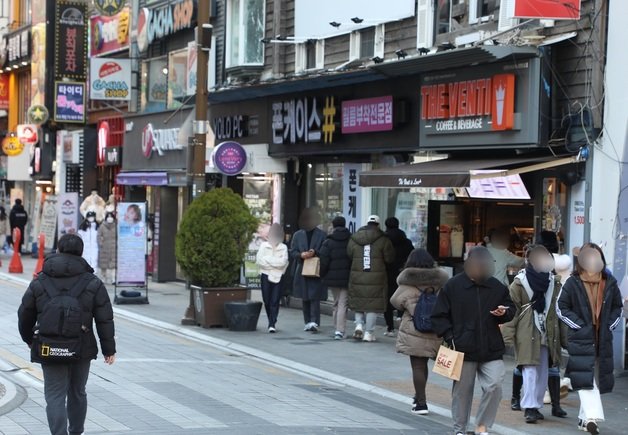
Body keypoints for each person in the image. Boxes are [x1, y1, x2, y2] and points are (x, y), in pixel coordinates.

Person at [17, 234, 116, 435]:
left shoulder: (40, 280)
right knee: (78, 392)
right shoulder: (93, 282)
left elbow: (24, 313)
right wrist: (109, 350)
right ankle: (76, 432)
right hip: (82, 346)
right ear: (81, 253)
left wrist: (29, 339)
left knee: (54, 395)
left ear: (59, 251)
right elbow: (104, 317)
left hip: (49, 345)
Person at [431, 246, 515, 435]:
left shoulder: (496, 286)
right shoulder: (453, 285)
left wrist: (505, 312)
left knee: (494, 385)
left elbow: (510, 309)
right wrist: (450, 336)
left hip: (491, 347)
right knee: (462, 392)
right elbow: (438, 316)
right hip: (462, 348)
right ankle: (460, 429)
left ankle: (482, 426)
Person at [556, 243, 623, 435]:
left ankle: (584, 420)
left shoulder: (609, 282)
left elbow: (618, 307)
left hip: (603, 338)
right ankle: (592, 417)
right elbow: (561, 307)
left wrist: (610, 325)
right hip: (581, 337)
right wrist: (578, 325)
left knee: (592, 376)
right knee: (586, 378)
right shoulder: (573, 282)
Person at [501, 245, 566, 424]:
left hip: (548, 331)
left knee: (543, 371)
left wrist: (565, 337)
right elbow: (511, 309)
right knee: (529, 370)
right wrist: (507, 335)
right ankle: (529, 407)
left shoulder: (554, 282)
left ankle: (535, 406)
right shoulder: (520, 281)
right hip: (527, 331)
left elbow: (560, 311)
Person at [390, 248, 448, 415]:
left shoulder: (408, 282)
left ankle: (421, 403)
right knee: (425, 364)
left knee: (418, 366)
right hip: (436, 329)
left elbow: (395, 301)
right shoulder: (441, 281)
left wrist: (410, 304)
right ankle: (419, 396)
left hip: (415, 328)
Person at [347, 215, 395, 342]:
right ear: (378, 225)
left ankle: (358, 325)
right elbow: (389, 258)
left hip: (357, 274)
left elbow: (349, 254)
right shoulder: (384, 239)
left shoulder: (354, 238)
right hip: (377, 277)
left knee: (359, 303)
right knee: (372, 306)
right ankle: (369, 333)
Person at [290, 208, 327, 332]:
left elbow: (325, 251)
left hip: (316, 269)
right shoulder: (297, 235)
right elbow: (292, 251)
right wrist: (301, 255)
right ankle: (307, 321)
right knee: (304, 297)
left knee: (314, 297)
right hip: (302, 269)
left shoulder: (322, 235)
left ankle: (314, 322)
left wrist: (314, 252)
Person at [319, 216, 352, 340]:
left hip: (332, 277)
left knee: (336, 302)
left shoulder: (328, 241)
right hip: (347, 276)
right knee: (343, 303)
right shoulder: (350, 240)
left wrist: (322, 275)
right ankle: (340, 330)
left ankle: (336, 327)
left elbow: (323, 260)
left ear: (333, 226)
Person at [256, 223, 289, 333]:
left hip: (279, 276)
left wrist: (268, 260)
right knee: (266, 299)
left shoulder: (283, 247)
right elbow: (260, 261)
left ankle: (272, 323)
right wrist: (274, 262)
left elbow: (283, 262)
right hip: (265, 275)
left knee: (275, 300)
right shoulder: (263, 246)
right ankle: (271, 318)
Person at [384, 217, 414, 336]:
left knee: (388, 299)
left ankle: (390, 328)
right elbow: (412, 254)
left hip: (387, 272)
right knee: (403, 296)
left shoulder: (384, 240)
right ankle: (401, 317)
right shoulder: (406, 241)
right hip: (402, 272)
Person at [97, 212, 117, 284]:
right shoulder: (102, 226)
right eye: (108, 217)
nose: (110, 218)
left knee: (114, 264)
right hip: (104, 247)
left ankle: (113, 279)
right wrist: (100, 244)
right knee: (103, 264)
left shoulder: (116, 226)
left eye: (111, 217)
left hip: (114, 247)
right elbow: (99, 236)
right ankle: (103, 278)